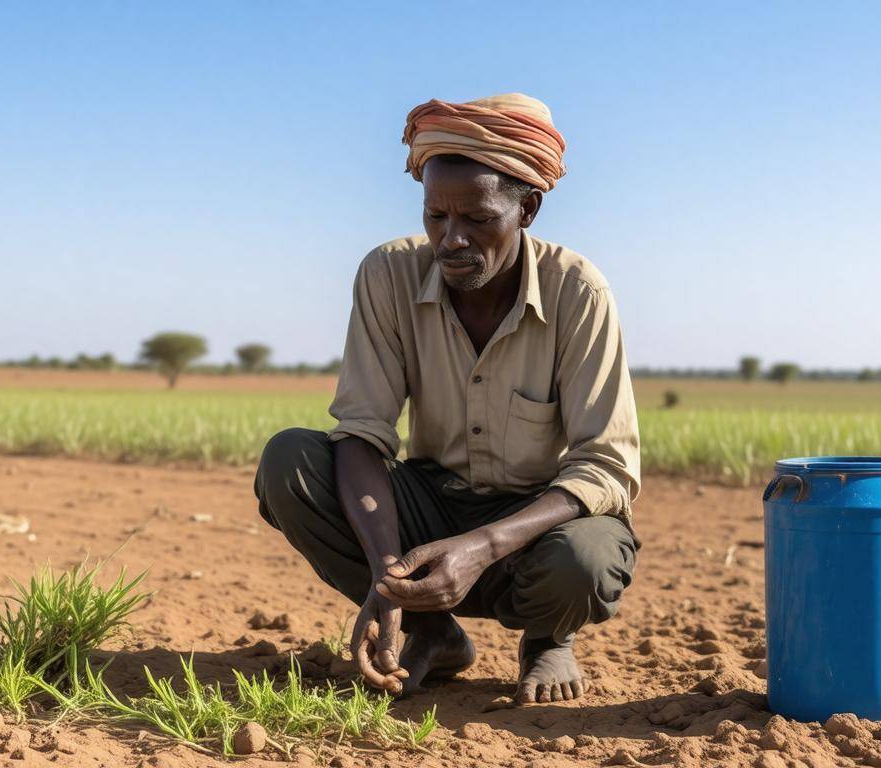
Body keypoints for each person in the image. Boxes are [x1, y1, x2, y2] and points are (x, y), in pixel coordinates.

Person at [255, 93, 640, 704]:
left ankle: (547, 639)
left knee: (588, 556)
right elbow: (361, 430)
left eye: (479, 219)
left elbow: (606, 465)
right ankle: (432, 630)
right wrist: (385, 577)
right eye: (436, 216)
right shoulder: (388, 274)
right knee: (291, 462)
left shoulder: (579, 292)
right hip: (429, 508)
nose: (451, 239)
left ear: (529, 209)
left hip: (534, 527)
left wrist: (483, 545)